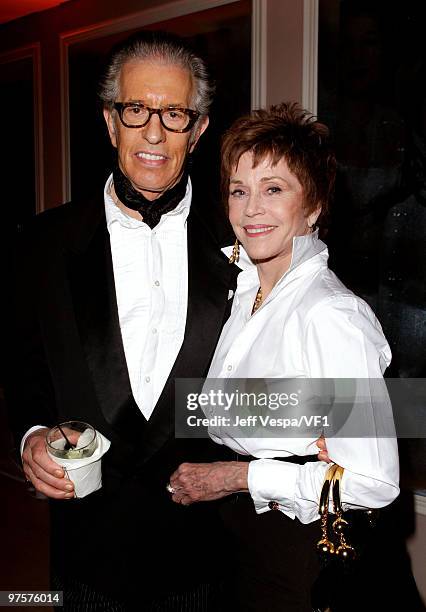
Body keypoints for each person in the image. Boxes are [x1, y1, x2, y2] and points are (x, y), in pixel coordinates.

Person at [6, 31, 240, 611]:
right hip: (90, 555)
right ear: (110, 122)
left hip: (206, 558)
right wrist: (34, 435)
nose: (155, 132)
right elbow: (27, 364)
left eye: (175, 113)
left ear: (200, 128)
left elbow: (300, 394)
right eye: (136, 110)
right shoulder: (41, 243)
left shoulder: (245, 242)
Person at [169, 103, 401, 611]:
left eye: (274, 189)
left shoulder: (330, 314)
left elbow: (373, 481)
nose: (251, 209)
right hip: (242, 540)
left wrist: (235, 476)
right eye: (239, 190)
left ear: (313, 206)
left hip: (301, 560)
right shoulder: (244, 294)